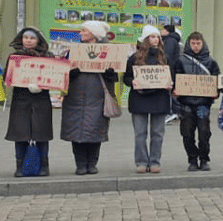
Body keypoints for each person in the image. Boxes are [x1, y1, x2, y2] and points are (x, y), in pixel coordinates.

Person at [61, 21, 119, 175]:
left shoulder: (109, 50)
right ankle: (80, 164)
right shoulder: (73, 50)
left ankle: (92, 163)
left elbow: (117, 75)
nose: (80, 33)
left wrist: (110, 73)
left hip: (98, 96)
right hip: (75, 97)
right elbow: (61, 71)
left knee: (95, 131)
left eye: (84, 30)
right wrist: (70, 73)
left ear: (94, 34)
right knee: (76, 131)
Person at [124, 24, 175, 173]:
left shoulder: (165, 58)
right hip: (139, 100)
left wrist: (171, 83)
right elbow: (126, 78)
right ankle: (141, 162)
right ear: (146, 39)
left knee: (157, 134)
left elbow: (172, 76)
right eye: (153, 36)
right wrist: (132, 83)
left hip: (159, 99)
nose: (156, 39)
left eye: (158, 37)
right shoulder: (134, 58)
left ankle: (155, 162)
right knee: (140, 134)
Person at [5, 27, 55, 176]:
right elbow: (8, 78)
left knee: (41, 134)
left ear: (38, 40)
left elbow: (54, 77)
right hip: (21, 100)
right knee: (20, 134)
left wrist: (43, 85)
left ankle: (44, 166)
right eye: (25, 37)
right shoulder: (14, 56)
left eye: (32, 38)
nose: (28, 40)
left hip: (41, 99)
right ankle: (20, 166)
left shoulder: (48, 57)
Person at [174, 31, 220, 170]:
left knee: (204, 133)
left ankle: (204, 159)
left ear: (202, 43)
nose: (195, 46)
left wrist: (216, 92)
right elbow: (175, 78)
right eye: (193, 43)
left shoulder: (211, 62)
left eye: (198, 43)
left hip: (203, 105)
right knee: (187, 133)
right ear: (189, 44)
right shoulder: (181, 61)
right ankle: (192, 159)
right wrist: (175, 91)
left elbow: (217, 79)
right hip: (186, 104)